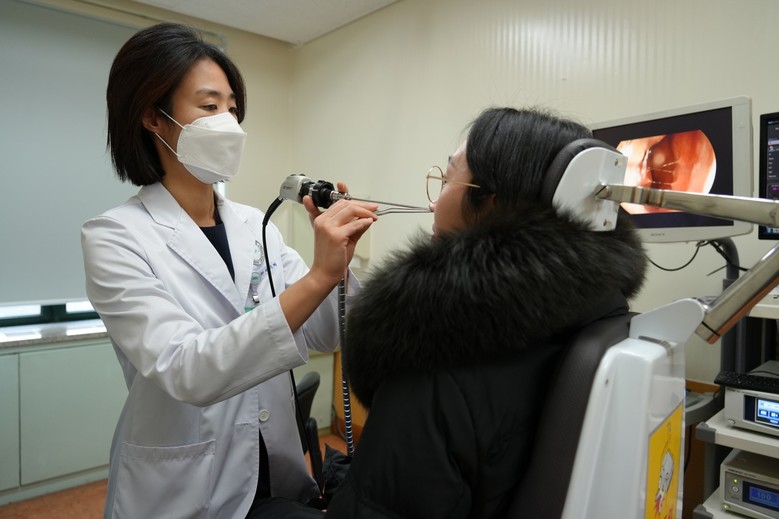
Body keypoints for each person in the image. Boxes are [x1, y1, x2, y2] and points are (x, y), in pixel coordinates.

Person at [81, 23, 376, 518]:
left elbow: (327, 332)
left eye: (233, 109)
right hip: (183, 489)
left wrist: (338, 267)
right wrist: (318, 277)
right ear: (153, 117)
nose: (229, 123)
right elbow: (188, 369)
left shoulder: (255, 226)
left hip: (275, 471)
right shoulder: (114, 237)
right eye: (209, 106)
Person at [324, 106, 648, 518]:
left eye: (446, 179)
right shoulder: (594, 312)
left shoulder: (431, 367)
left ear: (490, 204)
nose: (433, 203)